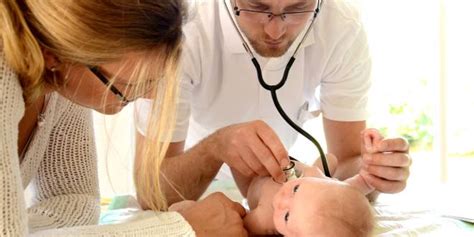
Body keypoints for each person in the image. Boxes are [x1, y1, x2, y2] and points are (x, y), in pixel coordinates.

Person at [0, 0, 247, 236]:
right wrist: (180, 230)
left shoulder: (60, 75)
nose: (149, 94)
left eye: (152, 82)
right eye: (128, 86)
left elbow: (76, 201)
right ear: (56, 55)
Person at [135, 0, 411, 208]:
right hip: (191, 196)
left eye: (297, 8)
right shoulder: (181, 30)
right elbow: (151, 193)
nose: (276, 30)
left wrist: (373, 171)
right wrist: (216, 148)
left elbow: (347, 162)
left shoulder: (342, 26)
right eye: (257, 7)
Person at [233, 129, 383, 236]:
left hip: (254, 179)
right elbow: (365, 180)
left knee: (237, 160)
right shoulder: (325, 187)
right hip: (306, 171)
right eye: (296, 190)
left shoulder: (265, 220)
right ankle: (320, 170)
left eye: (286, 217)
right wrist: (373, 155)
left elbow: (238, 226)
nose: (282, 199)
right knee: (330, 159)